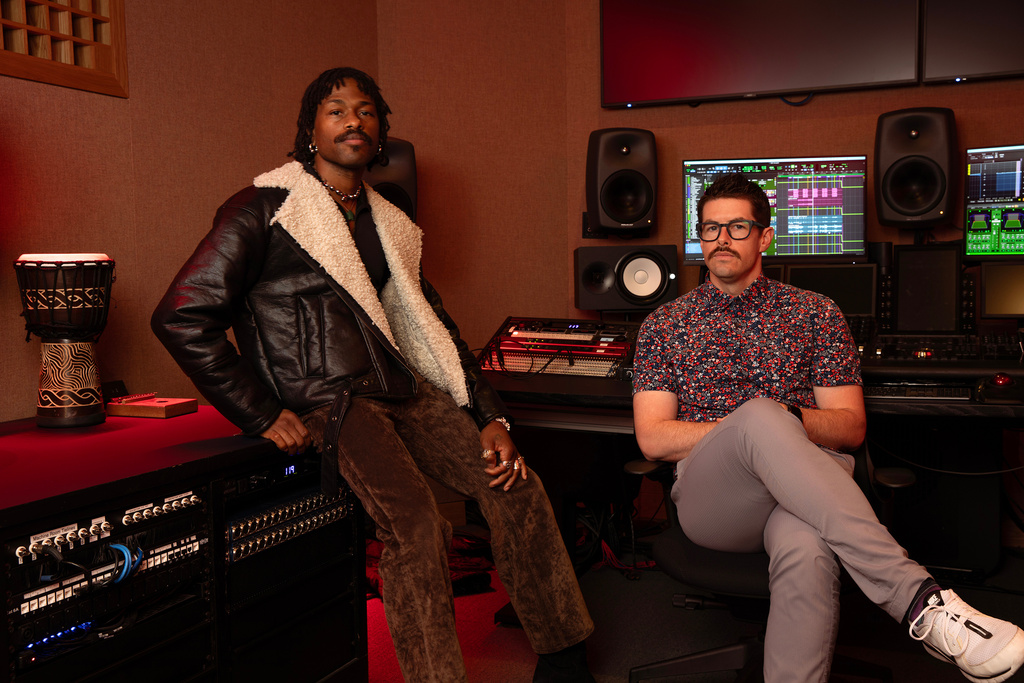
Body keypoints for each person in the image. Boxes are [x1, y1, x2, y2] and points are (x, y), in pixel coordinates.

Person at [151, 67, 594, 683]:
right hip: (331, 401)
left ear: (381, 130)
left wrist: (488, 415)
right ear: (310, 130)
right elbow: (181, 313)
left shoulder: (388, 221)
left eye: (365, 111)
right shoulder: (266, 207)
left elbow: (432, 328)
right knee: (414, 524)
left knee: (515, 484)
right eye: (335, 110)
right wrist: (259, 412)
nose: (352, 121)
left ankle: (563, 652)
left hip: (403, 388)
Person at [631, 172, 1024, 683]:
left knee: (806, 544)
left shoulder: (816, 313)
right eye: (709, 228)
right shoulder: (664, 324)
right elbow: (654, 437)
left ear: (765, 237)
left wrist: (785, 423)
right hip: (718, 501)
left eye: (737, 227)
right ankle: (922, 603)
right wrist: (756, 428)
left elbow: (849, 427)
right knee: (759, 414)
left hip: (806, 495)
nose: (720, 239)